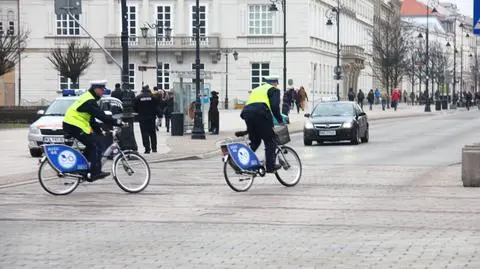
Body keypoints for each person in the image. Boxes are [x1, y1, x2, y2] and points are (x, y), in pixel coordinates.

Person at [63, 80, 123, 181]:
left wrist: (99, 132)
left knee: (91, 145)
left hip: (73, 124)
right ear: (96, 89)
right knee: (96, 145)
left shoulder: (88, 98)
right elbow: (101, 116)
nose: (103, 92)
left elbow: (91, 119)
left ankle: (82, 169)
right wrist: (117, 122)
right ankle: (95, 172)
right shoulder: (89, 101)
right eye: (102, 90)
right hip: (74, 125)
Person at [241, 75, 284, 173]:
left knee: (255, 141)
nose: (277, 85)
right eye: (277, 83)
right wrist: (280, 120)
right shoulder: (274, 90)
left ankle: (243, 161)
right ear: (274, 83)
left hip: (247, 114)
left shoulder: (256, 89)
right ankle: (270, 166)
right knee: (270, 141)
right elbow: (274, 107)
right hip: (261, 114)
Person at [134, 85, 159, 154]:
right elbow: (156, 106)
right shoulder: (153, 97)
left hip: (142, 118)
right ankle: (154, 148)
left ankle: (147, 148)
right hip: (151, 117)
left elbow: (135, 107)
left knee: (144, 133)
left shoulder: (138, 97)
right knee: (152, 133)